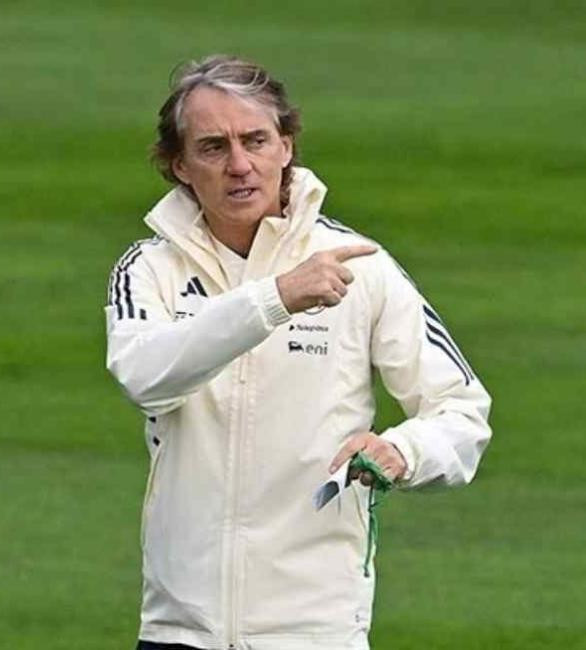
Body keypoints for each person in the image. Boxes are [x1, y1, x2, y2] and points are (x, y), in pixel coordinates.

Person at [105, 55, 492, 650]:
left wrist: (402, 450)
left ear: (286, 146)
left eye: (256, 140)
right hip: (181, 630)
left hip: (315, 631)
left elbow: (462, 411)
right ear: (178, 165)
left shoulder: (358, 265)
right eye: (213, 147)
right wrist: (276, 298)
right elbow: (146, 377)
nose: (240, 165)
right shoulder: (149, 269)